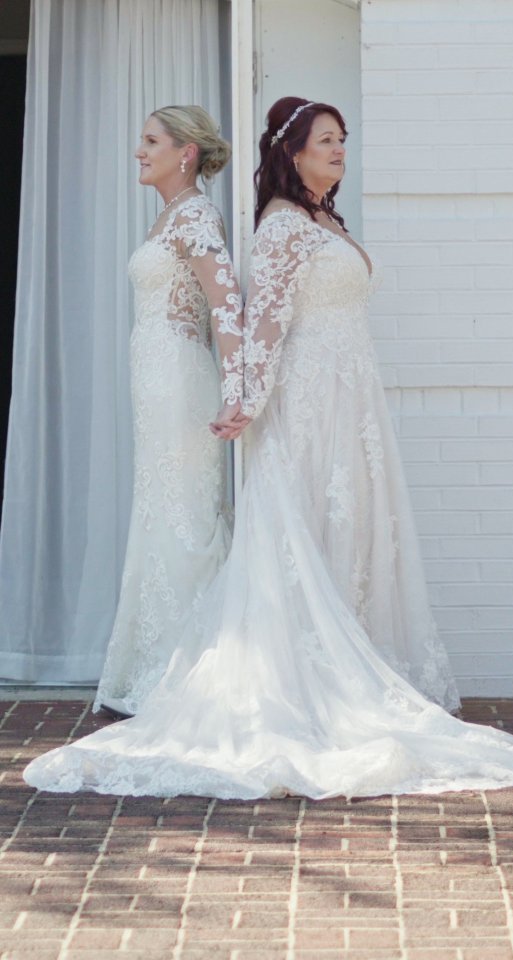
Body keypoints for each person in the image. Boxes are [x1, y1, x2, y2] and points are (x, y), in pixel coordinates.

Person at [24, 98, 513, 799]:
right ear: (292, 153)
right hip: (306, 403)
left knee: (351, 533)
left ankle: (347, 665)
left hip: (346, 401)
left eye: (343, 140)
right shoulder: (280, 226)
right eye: (326, 141)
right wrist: (247, 397)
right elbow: (262, 320)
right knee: (305, 535)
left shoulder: (322, 223)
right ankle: (299, 674)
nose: (340, 150)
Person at [94, 105, 247, 718]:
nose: (139, 151)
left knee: (185, 513)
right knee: (164, 508)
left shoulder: (196, 215)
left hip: (181, 382)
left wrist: (236, 391)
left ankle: (194, 669)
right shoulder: (169, 216)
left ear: (186, 152)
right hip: (156, 381)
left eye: (150, 140)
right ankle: (161, 661)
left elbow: (226, 302)